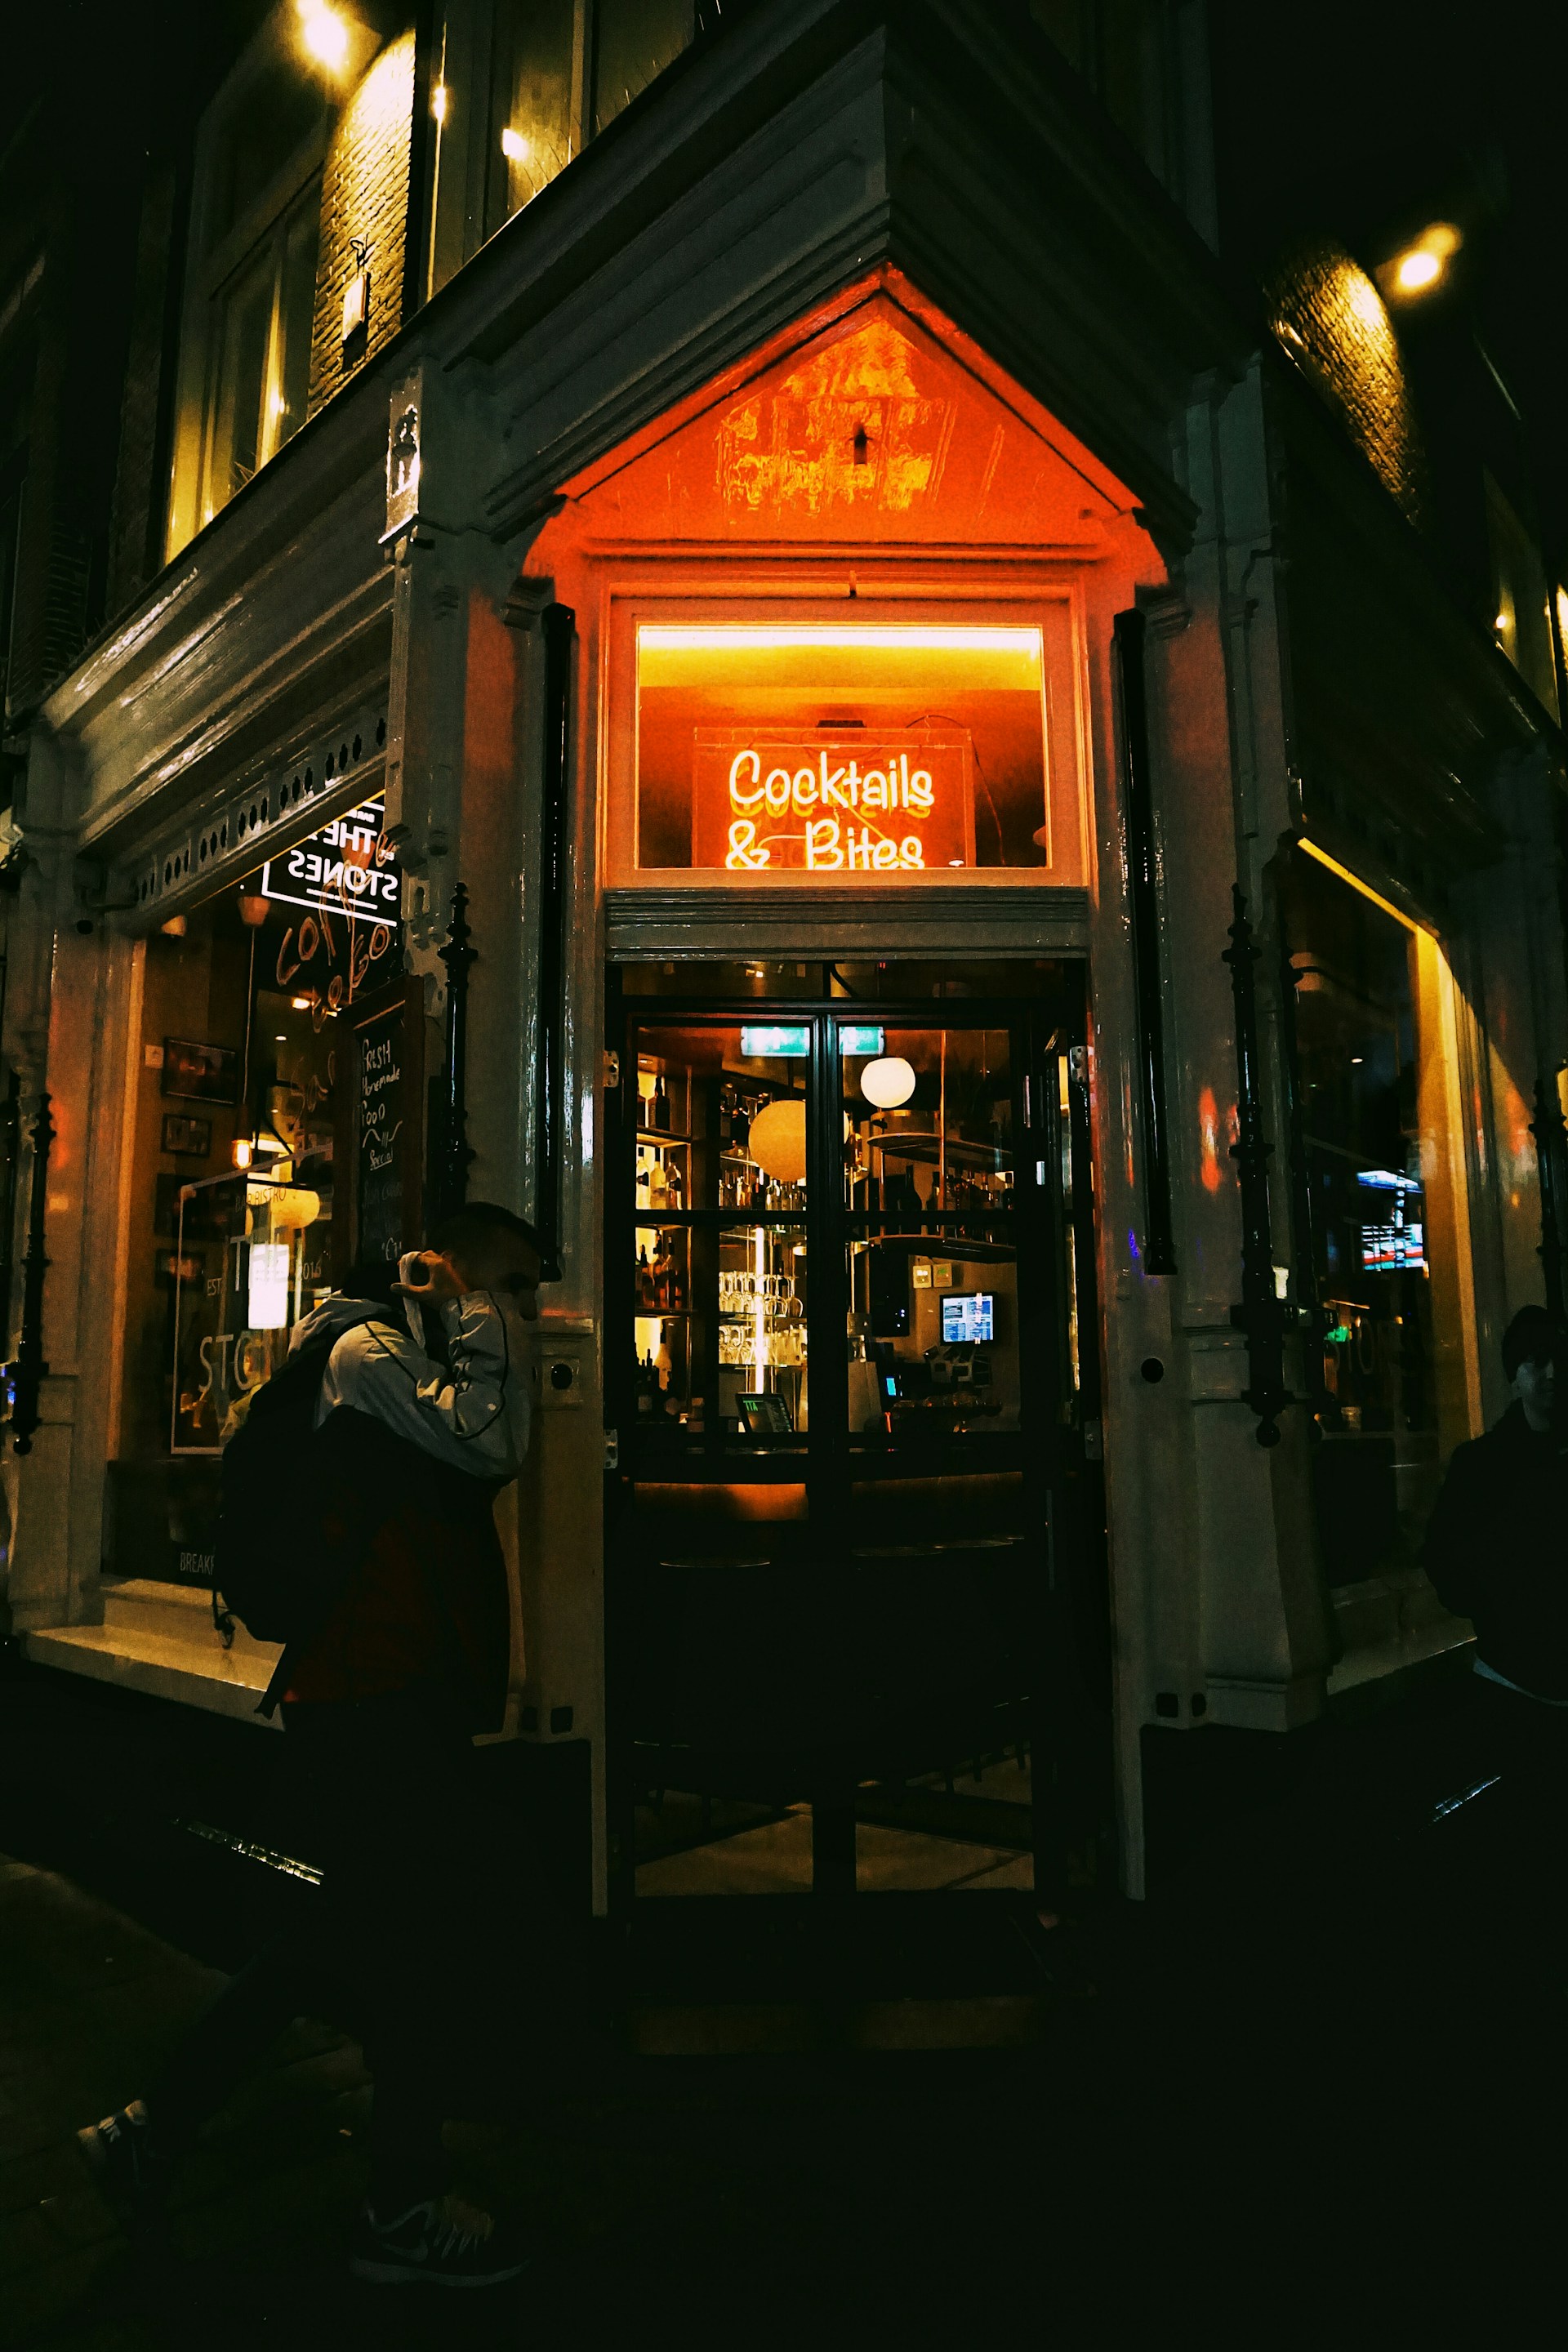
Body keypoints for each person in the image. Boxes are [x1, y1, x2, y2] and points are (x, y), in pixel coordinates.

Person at [78, 1201, 546, 2290]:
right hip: (377, 1690)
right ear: (456, 1266)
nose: (528, 1304)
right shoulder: (371, 1347)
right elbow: (495, 1440)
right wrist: (480, 1313)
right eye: (515, 1279)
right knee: (413, 1938)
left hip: (386, 1686)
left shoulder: (396, 1346)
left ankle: (159, 2129)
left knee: (348, 1932)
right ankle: (397, 2207)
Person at [1423, 1301, 1568, 1912]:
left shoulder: (1483, 1464)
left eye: (1560, 1361)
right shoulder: (1480, 1466)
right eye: (1539, 1363)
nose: (1554, 1374)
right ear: (1515, 1374)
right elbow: (1447, 1561)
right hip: (1514, 1678)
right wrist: (1498, 1609)